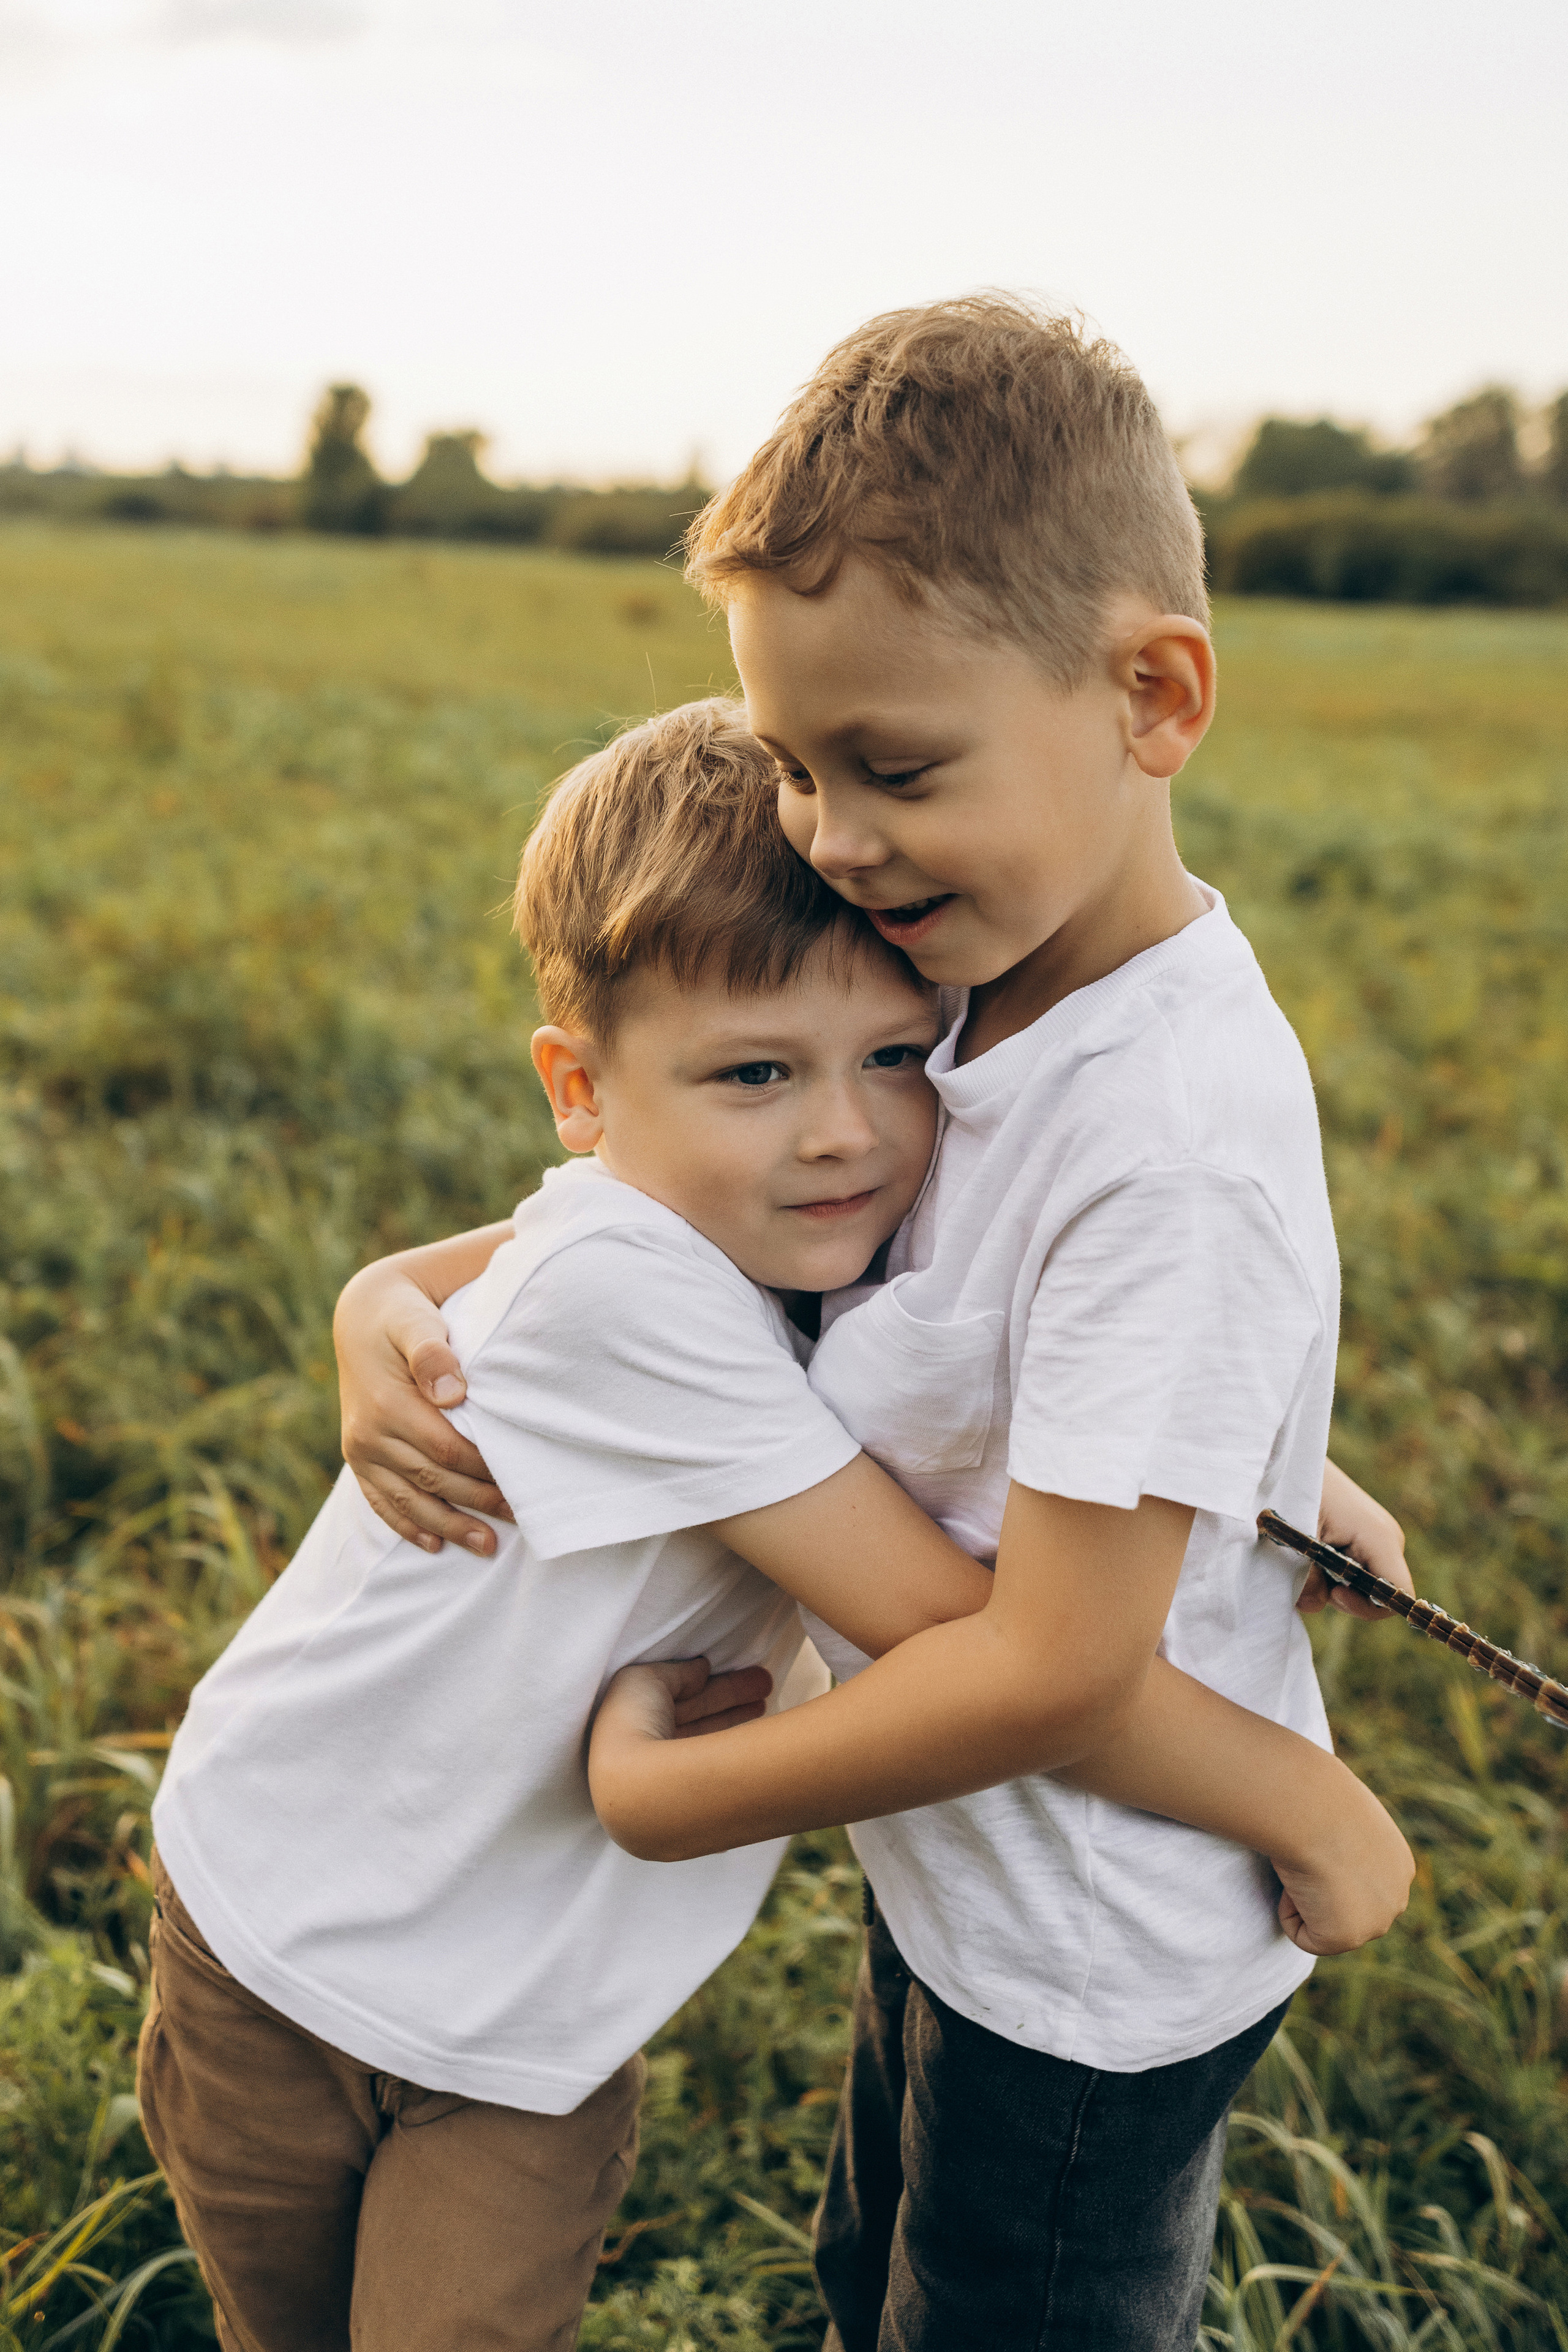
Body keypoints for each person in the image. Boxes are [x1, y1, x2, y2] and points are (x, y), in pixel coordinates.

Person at [337, 298, 1416, 2352]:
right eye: (792, 765)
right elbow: (833, 1246)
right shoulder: (989, 969)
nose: (829, 836)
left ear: (1155, 696)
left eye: (891, 768)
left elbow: (1050, 1667)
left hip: (1092, 1950)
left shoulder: (1164, 1129)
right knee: (882, 2289)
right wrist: (390, 1292)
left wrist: (667, 1803)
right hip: (970, 1891)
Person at [141, 699, 1403, 2352]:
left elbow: (970, 1359)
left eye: (896, 1056)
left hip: (533, 2014)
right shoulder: (634, 1290)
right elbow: (969, 1631)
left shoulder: (792, 1234)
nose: (844, 1132)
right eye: (756, 1073)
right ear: (581, 1091)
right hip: (282, 1944)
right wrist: (1304, 1802)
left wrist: (1246, 1462)